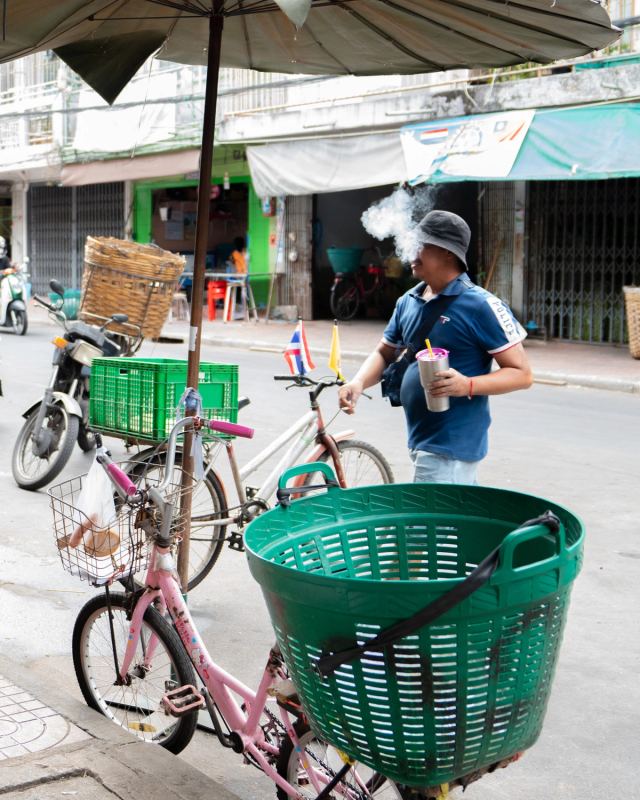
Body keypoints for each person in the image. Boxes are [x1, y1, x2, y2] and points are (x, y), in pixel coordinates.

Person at [338, 210, 533, 485]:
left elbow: (522, 374)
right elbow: (385, 352)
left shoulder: (480, 305)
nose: (412, 250)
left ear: (448, 254)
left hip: (450, 446)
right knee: (449, 525)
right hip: (421, 439)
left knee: (424, 526)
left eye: (422, 244)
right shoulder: (408, 300)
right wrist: (358, 383)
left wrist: (467, 385)